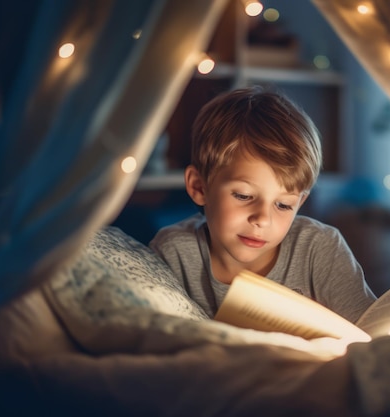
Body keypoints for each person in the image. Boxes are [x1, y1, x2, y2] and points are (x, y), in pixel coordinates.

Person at [149, 86, 376, 323]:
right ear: (199, 187)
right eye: (244, 196)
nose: (262, 219)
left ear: (300, 203)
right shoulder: (174, 253)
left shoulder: (319, 249)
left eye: (284, 205)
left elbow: (371, 328)